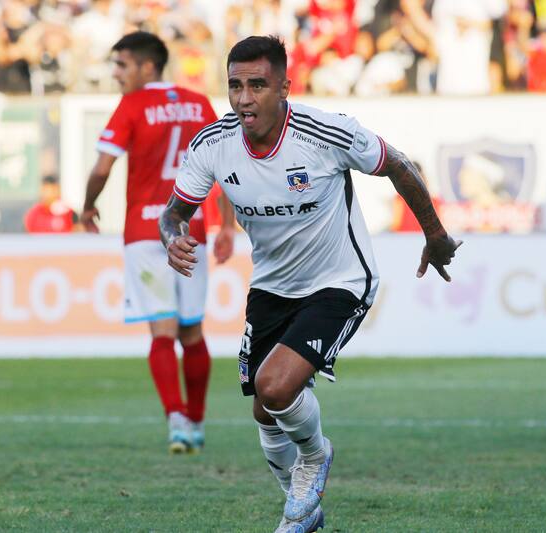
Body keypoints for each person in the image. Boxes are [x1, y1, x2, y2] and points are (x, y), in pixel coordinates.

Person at [159, 35, 460, 532]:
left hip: (340, 280)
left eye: (258, 85)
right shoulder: (212, 145)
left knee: (274, 386)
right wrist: (173, 236)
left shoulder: (327, 132)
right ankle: (304, 513)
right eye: (235, 85)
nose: (244, 98)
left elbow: (399, 165)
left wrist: (435, 234)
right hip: (272, 285)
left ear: (284, 87)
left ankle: (316, 457)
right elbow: (175, 212)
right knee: (264, 410)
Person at [81, 31, 235, 455]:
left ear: (148, 67)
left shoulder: (133, 105)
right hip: (192, 228)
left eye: (122, 65)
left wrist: (88, 205)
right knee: (192, 330)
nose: (116, 74)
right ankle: (198, 423)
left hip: (146, 231)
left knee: (162, 331)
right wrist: (226, 227)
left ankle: (177, 422)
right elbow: (224, 170)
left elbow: (102, 167)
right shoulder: (199, 103)